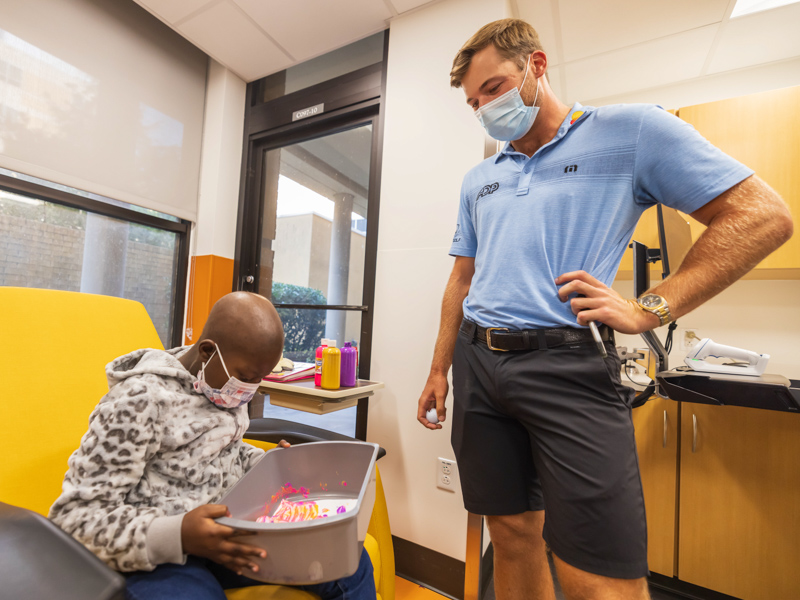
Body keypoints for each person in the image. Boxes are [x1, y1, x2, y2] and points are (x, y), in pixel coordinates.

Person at [416, 18, 793, 600]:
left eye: (493, 89)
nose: (485, 108)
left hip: (566, 366)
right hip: (477, 365)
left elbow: (762, 216)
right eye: (474, 102)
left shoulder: (632, 131)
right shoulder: (480, 179)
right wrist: (440, 369)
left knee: (598, 575)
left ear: (536, 67)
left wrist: (650, 309)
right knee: (511, 536)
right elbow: (461, 278)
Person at [50, 291, 375, 600]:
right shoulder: (139, 401)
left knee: (349, 561)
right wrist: (178, 534)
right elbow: (76, 517)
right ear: (207, 352)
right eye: (246, 376)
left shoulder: (220, 383)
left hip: (224, 534)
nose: (250, 390)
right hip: (156, 551)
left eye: (259, 378)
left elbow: (221, 455)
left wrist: (267, 465)